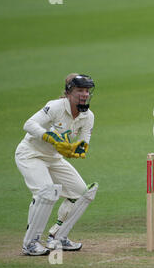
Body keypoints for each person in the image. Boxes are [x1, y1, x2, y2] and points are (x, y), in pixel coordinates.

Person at [16, 73, 98, 256]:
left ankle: (57, 236)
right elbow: (29, 124)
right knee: (47, 191)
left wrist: (75, 150)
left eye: (87, 91)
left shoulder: (88, 116)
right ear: (69, 92)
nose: (84, 94)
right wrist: (50, 137)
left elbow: (83, 143)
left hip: (53, 159)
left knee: (82, 192)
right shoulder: (55, 106)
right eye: (80, 90)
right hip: (30, 154)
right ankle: (30, 243)